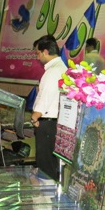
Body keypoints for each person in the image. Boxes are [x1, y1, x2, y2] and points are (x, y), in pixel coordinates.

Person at [30, 35, 67, 181]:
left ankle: (46, 192)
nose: (37, 57)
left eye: (38, 53)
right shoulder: (61, 68)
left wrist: (35, 116)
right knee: (51, 164)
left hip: (47, 123)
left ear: (45, 52)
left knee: (45, 165)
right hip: (54, 122)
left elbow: (47, 95)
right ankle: (50, 191)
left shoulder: (53, 72)